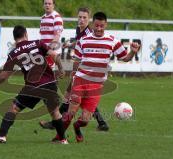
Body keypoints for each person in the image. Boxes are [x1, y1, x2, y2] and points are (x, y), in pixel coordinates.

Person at [55, 12, 140, 142]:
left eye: (101, 26)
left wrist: (133, 52)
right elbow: (76, 62)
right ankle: (60, 138)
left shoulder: (112, 41)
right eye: (96, 26)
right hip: (80, 80)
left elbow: (124, 58)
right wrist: (71, 82)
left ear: (106, 24)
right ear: (92, 24)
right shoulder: (83, 40)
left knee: (85, 120)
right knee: (71, 111)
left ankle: (77, 127)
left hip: (96, 85)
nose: (99, 29)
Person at [0, 25, 68, 144]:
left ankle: (2, 136)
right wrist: (61, 69)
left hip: (32, 87)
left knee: (14, 108)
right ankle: (63, 140)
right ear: (26, 34)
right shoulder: (38, 43)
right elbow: (55, 55)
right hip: (50, 83)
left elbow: (4, 75)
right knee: (54, 112)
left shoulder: (13, 54)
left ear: (14, 38)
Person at [39, 7, 109, 131]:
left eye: (84, 18)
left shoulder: (90, 32)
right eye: (80, 17)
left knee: (68, 95)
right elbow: (80, 42)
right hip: (80, 71)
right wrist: (71, 44)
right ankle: (102, 123)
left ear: (89, 20)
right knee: (76, 97)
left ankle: (55, 123)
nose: (81, 20)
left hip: (86, 72)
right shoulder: (79, 29)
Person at [40, 0, 64, 70]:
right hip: (45, 50)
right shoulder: (43, 18)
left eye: (49, 4)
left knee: (48, 73)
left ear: (53, 5)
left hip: (52, 50)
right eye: (46, 3)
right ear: (43, 5)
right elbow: (42, 35)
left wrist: (49, 49)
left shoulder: (56, 17)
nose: (47, 5)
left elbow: (57, 36)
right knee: (45, 74)